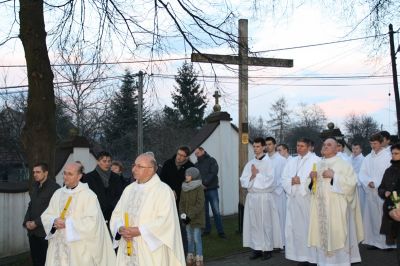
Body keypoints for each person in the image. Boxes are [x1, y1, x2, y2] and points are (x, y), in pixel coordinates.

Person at [110, 153, 185, 266]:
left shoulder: (163, 191)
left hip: (150, 250)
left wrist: (140, 230)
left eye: (139, 166)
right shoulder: (129, 190)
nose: (134, 169)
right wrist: (121, 229)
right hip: (127, 246)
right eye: (134, 165)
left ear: (151, 170)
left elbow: (166, 221)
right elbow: (116, 214)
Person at [41, 162, 116, 266]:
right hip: (58, 246)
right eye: (64, 173)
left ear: (79, 176)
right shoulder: (58, 193)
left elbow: (93, 222)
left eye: (70, 174)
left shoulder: (88, 195)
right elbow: (46, 215)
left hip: (78, 249)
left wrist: (68, 223)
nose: (65, 177)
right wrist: (54, 221)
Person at [308, 138, 363, 265]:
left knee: (337, 235)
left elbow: (352, 184)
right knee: (322, 237)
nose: (325, 147)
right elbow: (312, 188)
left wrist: (334, 176)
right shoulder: (319, 164)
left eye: (329, 145)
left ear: (336, 148)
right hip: (320, 208)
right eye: (324, 144)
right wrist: (312, 179)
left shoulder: (343, 164)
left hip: (336, 208)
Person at [240, 137, 282, 260]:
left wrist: (256, 176)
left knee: (265, 223)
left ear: (263, 147)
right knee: (254, 223)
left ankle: (267, 249)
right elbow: (243, 180)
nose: (255, 149)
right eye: (254, 146)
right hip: (252, 197)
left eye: (258, 146)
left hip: (264, 197)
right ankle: (257, 248)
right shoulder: (250, 163)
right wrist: (253, 175)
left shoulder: (269, 163)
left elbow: (271, 181)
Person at [282, 138, 319, 265]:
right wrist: (291, 181)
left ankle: (312, 258)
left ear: (309, 147)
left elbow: (317, 181)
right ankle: (300, 257)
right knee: (295, 230)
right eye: (297, 145)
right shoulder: (292, 161)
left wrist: (302, 182)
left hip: (307, 201)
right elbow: (284, 178)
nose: (299, 148)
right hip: (293, 200)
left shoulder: (317, 161)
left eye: (302, 146)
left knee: (309, 229)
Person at [359, 133, 394, 249]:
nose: (373, 146)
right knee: (374, 217)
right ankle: (375, 241)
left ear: (381, 143)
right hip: (371, 191)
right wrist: (368, 181)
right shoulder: (368, 157)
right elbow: (362, 172)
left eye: (375, 143)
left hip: (383, 191)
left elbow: (391, 174)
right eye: (371, 143)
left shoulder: (388, 156)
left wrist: (378, 183)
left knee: (385, 217)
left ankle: (388, 243)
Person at [23, 162, 60, 266]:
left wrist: (36, 222)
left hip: (45, 233)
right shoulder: (35, 186)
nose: (35, 174)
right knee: (36, 261)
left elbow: (54, 210)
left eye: (38, 172)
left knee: (46, 262)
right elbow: (31, 205)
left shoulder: (55, 188)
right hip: (32, 233)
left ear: (46, 173)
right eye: (34, 172)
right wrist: (26, 221)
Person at [81, 151, 125, 222]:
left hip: (112, 214)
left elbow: (119, 195)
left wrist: (111, 208)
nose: (107, 164)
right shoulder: (88, 177)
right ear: (98, 162)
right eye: (104, 161)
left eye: (109, 161)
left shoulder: (116, 177)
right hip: (95, 215)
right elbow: (86, 196)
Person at [194, 147, 225, 238]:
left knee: (216, 211)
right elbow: (195, 176)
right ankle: (207, 230)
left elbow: (213, 172)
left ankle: (221, 232)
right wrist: (201, 185)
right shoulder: (196, 165)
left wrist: (204, 183)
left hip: (212, 189)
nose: (197, 154)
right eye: (195, 154)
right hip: (201, 191)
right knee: (204, 212)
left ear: (203, 151)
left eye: (198, 152)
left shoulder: (211, 160)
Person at [179, 167, 205, 266]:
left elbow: (200, 203)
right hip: (187, 219)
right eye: (186, 174)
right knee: (189, 237)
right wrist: (183, 215)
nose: (186, 176)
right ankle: (190, 255)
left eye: (188, 175)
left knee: (196, 238)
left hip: (196, 218)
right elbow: (181, 203)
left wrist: (189, 216)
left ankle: (199, 257)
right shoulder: (184, 187)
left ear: (193, 176)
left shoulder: (199, 187)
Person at [265, 136, 287, 247]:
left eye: (270, 144)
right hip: (267, 194)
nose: (268, 146)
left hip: (278, 193)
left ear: (274, 145)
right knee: (269, 219)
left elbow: (284, 177)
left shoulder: (282, 160)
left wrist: (275, 187)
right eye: (266, 144)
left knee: (280, 218)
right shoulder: (264, 159)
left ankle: (281, 243)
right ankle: (271, 242)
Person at [378, 143, 400, 248]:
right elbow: (381, 187)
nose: (393, 156)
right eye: (392, 153)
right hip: (391, 209)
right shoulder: (389, 170)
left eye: (396, 153)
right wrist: (384, 192)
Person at [351, 143, 365, 214]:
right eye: (353, 148)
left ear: (361, 149)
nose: (354, 150)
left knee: (359, 207)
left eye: (357, 148)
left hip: (359, 186)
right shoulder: (349, 158)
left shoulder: (363, 160)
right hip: (350, 185)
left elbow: (362, 174)